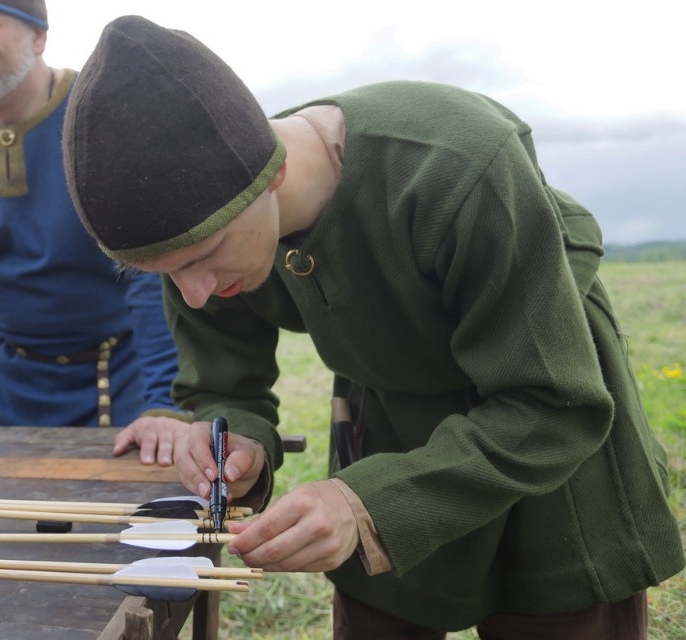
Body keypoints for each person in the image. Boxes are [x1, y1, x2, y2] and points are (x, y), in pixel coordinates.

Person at [61, 15, 685, 639]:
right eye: (161, 274)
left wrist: (367, 504)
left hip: (543, 441)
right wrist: (237, 441)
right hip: (387, 426)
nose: (191, 295)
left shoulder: (455, 167)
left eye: (200, 260)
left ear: (272, 175)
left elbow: (556, 405)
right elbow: (225, 384)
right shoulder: (203, 228)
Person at [0, 2, 190, 464]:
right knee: (11, 532)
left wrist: (165, 402)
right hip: (7, 385)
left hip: (125, 380)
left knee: (121, 531)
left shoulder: (104, 116)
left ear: (38, 37)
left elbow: (150, 275)